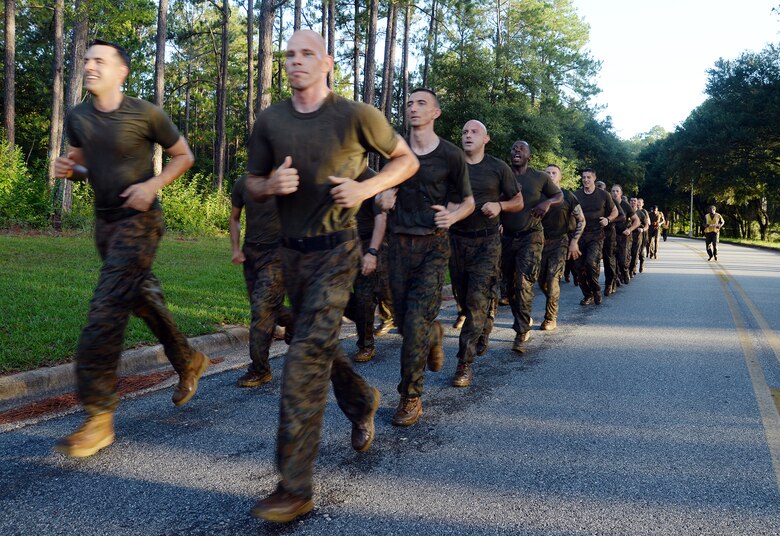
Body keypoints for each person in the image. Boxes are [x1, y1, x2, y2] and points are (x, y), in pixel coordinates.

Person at [244, 30, 419, 523]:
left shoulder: (356, 115)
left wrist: (368, 189)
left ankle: (294, 486)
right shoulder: (271, 120)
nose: (295, 62)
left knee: (302, 358)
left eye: (306, 55)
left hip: (337, 251)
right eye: (289, 55)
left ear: (327, 63)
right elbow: (249, 181)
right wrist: (268, 184)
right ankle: (363, 398)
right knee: (317, 345)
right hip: (289, 256)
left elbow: (404, 160)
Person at [52, 40, 206, 458]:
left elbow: (183, 155)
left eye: (99, 61)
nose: (89, 66)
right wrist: (71, 170)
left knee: (105, 310)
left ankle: (99, 418)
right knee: (143, 299)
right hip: (105, 227)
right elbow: (82, 165)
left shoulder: (146, 113)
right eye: (86, 60)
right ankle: (189, 358)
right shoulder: (79, 116)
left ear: (121, 71)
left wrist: (152, 185)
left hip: (141, 223)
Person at [381, 88, 474, 425]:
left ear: (436, 112)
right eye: (409, 103)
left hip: (433, 247)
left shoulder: (451, 155)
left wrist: (453, 217)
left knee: (416, 321)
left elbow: (468, 201)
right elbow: (381, 197)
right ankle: (433, 336)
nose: (413, 108)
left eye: (421, 103)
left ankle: (410, 396)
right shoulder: (393, 153)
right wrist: (381, 203)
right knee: (408, 325)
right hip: (398, 248)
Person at [448, 120, 522, 387]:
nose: (468, 135)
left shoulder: (498, 167)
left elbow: (518, 201)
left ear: (486, 139)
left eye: (474, 132)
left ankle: (463, 364)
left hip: (487, 243)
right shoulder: (452, 164)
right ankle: (484, 325)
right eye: (465, 131)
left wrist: (500, 205)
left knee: (476, 301)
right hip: (456, 241)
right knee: (465, 300)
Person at [229, 174, 293, 387]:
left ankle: (259, 370)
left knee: (262, 311)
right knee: (265, 308)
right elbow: (235, 217)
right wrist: (236, 249)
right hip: (250, 254)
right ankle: (297, 321)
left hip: (278, 255)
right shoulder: (243, 183)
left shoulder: (286, 181)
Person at [501, 141, 563, 352]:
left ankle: (521, 330)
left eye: (521, 149)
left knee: (523, 282)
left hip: (531, 236)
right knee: (509, 286)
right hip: (507, 238)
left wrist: (546, 203)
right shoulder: (503, 174)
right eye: (514, 148)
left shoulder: (539, 177)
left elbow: (558, 195)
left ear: (530, 156)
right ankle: (521, 320)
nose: (516, 151)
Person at [344, 168, 388, 363]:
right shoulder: (334, 173)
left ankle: (365, 344)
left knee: (363, 296)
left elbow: (381, 218)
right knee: (330, 294)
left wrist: (372, 251)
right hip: (340, 245)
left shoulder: (372, 180)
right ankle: (367, 317)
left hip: (368, 243)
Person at [539, 164, 584, 330]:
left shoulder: (568, 196)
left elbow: (581, 220)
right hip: (538, 243)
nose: (550, 175)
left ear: (560, 177)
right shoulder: (537, 194)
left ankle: (550, 318)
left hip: (560, 242)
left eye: (554, 173)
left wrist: (574, 242)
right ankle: (550, 300)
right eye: (547, 173)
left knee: (552, 280)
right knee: (541, 280)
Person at [573, 168, 617, 305]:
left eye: (588, 177)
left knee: (591, 262)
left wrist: (608, 219)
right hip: (579, 235)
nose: (585, 180)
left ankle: (596, 290)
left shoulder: (604, 195)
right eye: (584, 177)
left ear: (594, 179)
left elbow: (614, 211)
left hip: (596, 235)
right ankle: (587, 295)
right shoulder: (576, 195)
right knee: (579, 269)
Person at [610, 185, 640, 285]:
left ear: (621, 193)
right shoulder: (607, 203)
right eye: (613, 191)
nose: (615, 193)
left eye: (617, 191)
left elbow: (637, 221)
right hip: (611, 235)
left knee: (622, 260)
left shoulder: (625, 205)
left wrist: (629, 229)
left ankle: (625, 270)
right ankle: (615, 278)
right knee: (612, 259)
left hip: (624, 236)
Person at [596, 180, 620, 297]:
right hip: (593, 234)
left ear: (605, 189)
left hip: (609, 233)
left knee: (608, 259)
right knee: (592, 261)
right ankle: (592, 288)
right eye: (597, 187)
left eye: (601, 187)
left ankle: (609, 283)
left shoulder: (611, 200)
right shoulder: (590, 198)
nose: (599, 189)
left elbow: (622, 216)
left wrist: (608, 220)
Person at [629, 197, 649, 275]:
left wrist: (642, 229)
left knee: (635, 253)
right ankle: (626, 269)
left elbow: (647, 226)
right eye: (631, 201)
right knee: (626, 254)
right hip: (626, 236)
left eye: (635, 201)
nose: (633, 202)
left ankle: (632, 269)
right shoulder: (626, 211)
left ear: (637, 203)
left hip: (637, 236)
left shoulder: (641, 213)